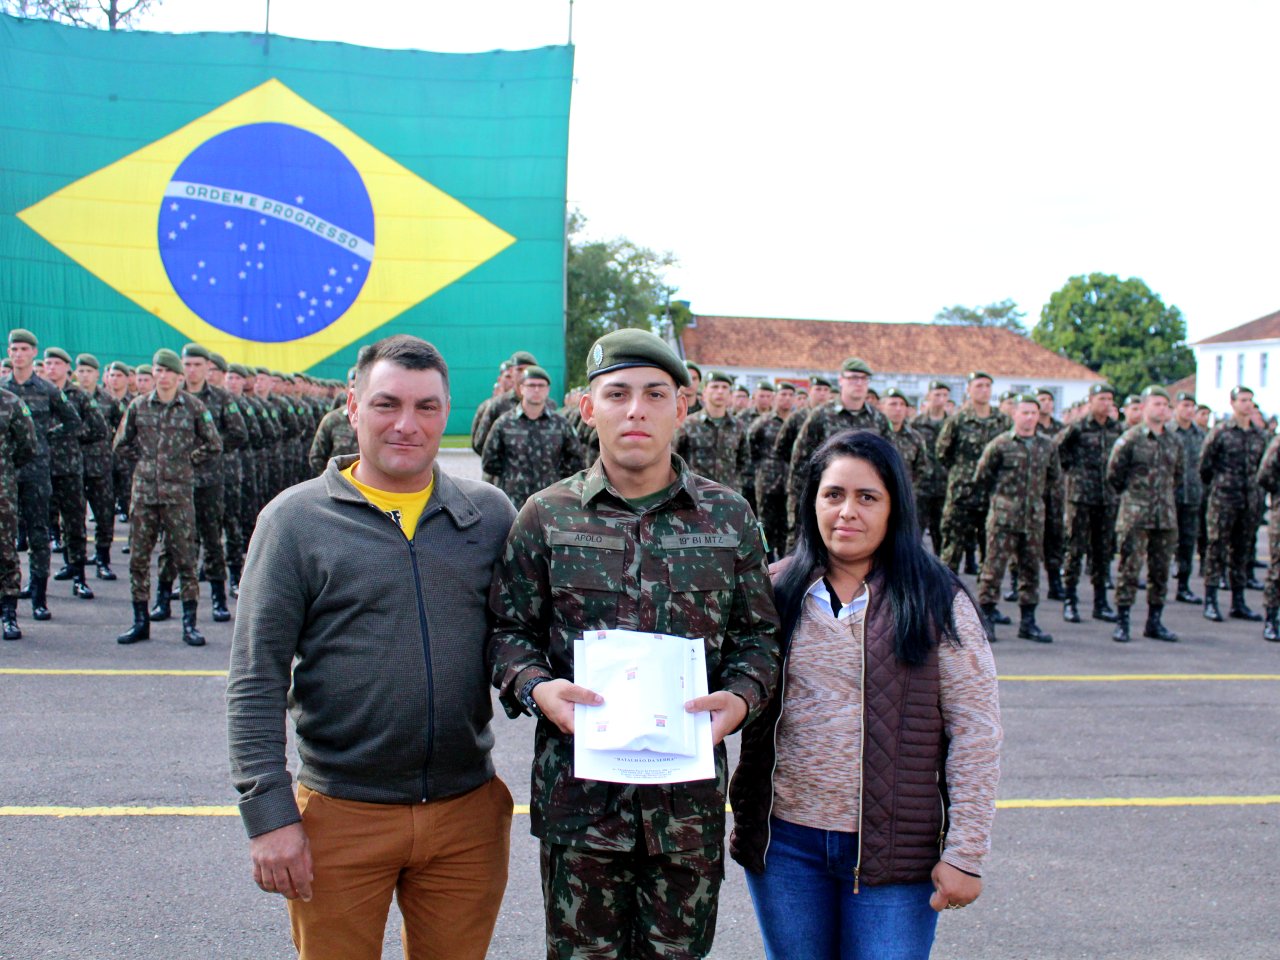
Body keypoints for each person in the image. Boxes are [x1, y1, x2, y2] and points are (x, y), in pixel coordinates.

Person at [487, 328, 780, 959]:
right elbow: (508, 634)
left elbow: (760, 638)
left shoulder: (729, 518)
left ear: (682, 405)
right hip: (580, 807)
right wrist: (539, 689)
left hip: (687, 811)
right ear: (588, 408)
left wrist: (741, 700)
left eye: (654, 393)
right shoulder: (546, 515)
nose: (636, 409)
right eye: (616, 394)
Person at [228, 335, 517, 960]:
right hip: (340, 814)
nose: (407, 425)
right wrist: (269, 813)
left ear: (449, 413)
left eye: (427, 407)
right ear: (353, 406)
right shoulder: (295, 522)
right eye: (387, 404)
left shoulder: (489, 516)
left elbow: (527, 639)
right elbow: (256, 678)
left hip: (466, 813)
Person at [729, 429, 1001, 960]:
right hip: (786, 847)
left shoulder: (936, 600)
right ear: (812, 503)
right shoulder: (774, 589)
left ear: (894, 507)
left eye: (866, 497)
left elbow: (976, 731)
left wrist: (966, 853)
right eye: (833, 495)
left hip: (894, 855)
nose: (847, 512)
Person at [113, 349, 222, 646]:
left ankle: (190, 624)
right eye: (157, 371)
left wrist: (186, 461)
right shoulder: (138, 406)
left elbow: (214, 444)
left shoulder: (193, 407)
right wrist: (146, 462)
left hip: (178, 494)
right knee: (138, 558)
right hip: (145, 494)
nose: (161, 376)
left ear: (178, 376)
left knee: (185, 558)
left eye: (167, 372)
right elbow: (121, 444)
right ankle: (140, 621)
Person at [4, 328, 82, 622]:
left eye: (25, 349)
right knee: (6, 536)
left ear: (34, 353)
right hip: (7, 473)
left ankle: (39, 595)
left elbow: (72, 421)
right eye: (15, 349)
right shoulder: (3, 389)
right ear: (9, 353)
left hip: (36, 471)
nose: (19, 354)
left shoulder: (47, 389)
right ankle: (8, 597)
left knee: (39, 533)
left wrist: (47, 438)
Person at [973, 395, 1062, 641]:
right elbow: (982, 476)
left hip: (1033, 519)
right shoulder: (1000, 444)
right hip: (1003, 518)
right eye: (1025, 412)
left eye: (1034, 413)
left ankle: (1028, 622)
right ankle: (987, 618)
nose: (1030, 417)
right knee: (993, 570)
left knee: (1031, 570)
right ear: (1014, 414)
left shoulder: (1047, 446)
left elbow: (1053, 479)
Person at [1105, 387, 1182, 642]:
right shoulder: (1130, 439)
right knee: (1129, 568)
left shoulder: (1174, 441)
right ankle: (1123, 620)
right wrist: (1135, 498)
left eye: (1165, 404)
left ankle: (1154, 621)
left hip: (1165, 516)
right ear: (1146, 406)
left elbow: (1178, 476)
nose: (1162, 409)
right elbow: (1114, 475)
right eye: (1157, 404)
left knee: (1160, 571)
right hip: (1135, 515)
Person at [1055, 383, 1125, 624]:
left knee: (1103, 552)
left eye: (1109, 399)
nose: (1106, 403)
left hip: (1107, 498)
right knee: (1075, 549)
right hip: (1081, 497)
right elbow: (1056, 450)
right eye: (1101, 398)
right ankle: (1070, 600)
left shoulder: (1118, 428)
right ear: (1091, 400)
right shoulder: (1078, 427)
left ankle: (1100, 602)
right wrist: (1072, 471)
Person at [1199, 386, 1268, 622]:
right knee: (1216, 549)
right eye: (1243, 400)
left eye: (1250, 400)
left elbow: (1264, 468)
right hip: (1224, 500)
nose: (1247, 405)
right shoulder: (1221, 432)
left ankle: (1238, 601)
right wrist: (1220, 486)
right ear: (1232, 403)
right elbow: (1205, 466)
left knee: (1242, 551)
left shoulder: (1259, 435)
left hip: (1249, 501)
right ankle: (1210, 599)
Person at [481, 364, 584, 509]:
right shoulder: (504, 424)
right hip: (513, 504)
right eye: (531, 385)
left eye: (541, 385)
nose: (536, 390)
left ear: (548, 390)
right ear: (522, 388)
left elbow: (576, 462)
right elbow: (489, 462)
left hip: (551, 505)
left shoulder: (561, 424)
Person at [936, 371, 1009, 574]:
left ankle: (986, 601)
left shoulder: (1002, 421)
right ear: (968, 390)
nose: (984, 390)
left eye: (987, 385)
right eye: (979, 386)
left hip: (991, 494)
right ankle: (945, 599)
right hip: (962, 494)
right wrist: (962, 473)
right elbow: (942, 453)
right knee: (951, 550)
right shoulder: (957, 421)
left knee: (991, 551)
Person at [0, 387, 37, 640]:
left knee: (5, 549)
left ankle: (8, 612)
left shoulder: (11, 402)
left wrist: (5, 467)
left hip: (1, 488)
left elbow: (27, 445)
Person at [674, 369, 750, 491]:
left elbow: (744, 461)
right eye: (714, 387)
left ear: (730, 394)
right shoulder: (688, 424)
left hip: (728, 497)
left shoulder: (738, 426)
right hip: (694, 494)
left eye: (725, 387)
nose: (720, 391)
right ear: (704, 392)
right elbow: (674, 458)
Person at [1171, 391, 1206, 603]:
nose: (1189, 410)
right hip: (1169, 496)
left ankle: (1183, 586)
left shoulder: (1200, 435)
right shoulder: (1169, 433)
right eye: (1185, 405)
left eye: (1192, 406)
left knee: (1188, 542)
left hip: (1192, 496)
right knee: (1163, 544)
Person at [910, 380, 951, 552]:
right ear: (928, 396)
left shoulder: (952, 423)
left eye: (944, 395)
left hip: (945, 486)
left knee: (942, 532)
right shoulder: (916, 423)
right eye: (937, 395)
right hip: (922, 487)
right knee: (916, 532)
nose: (940, 399)